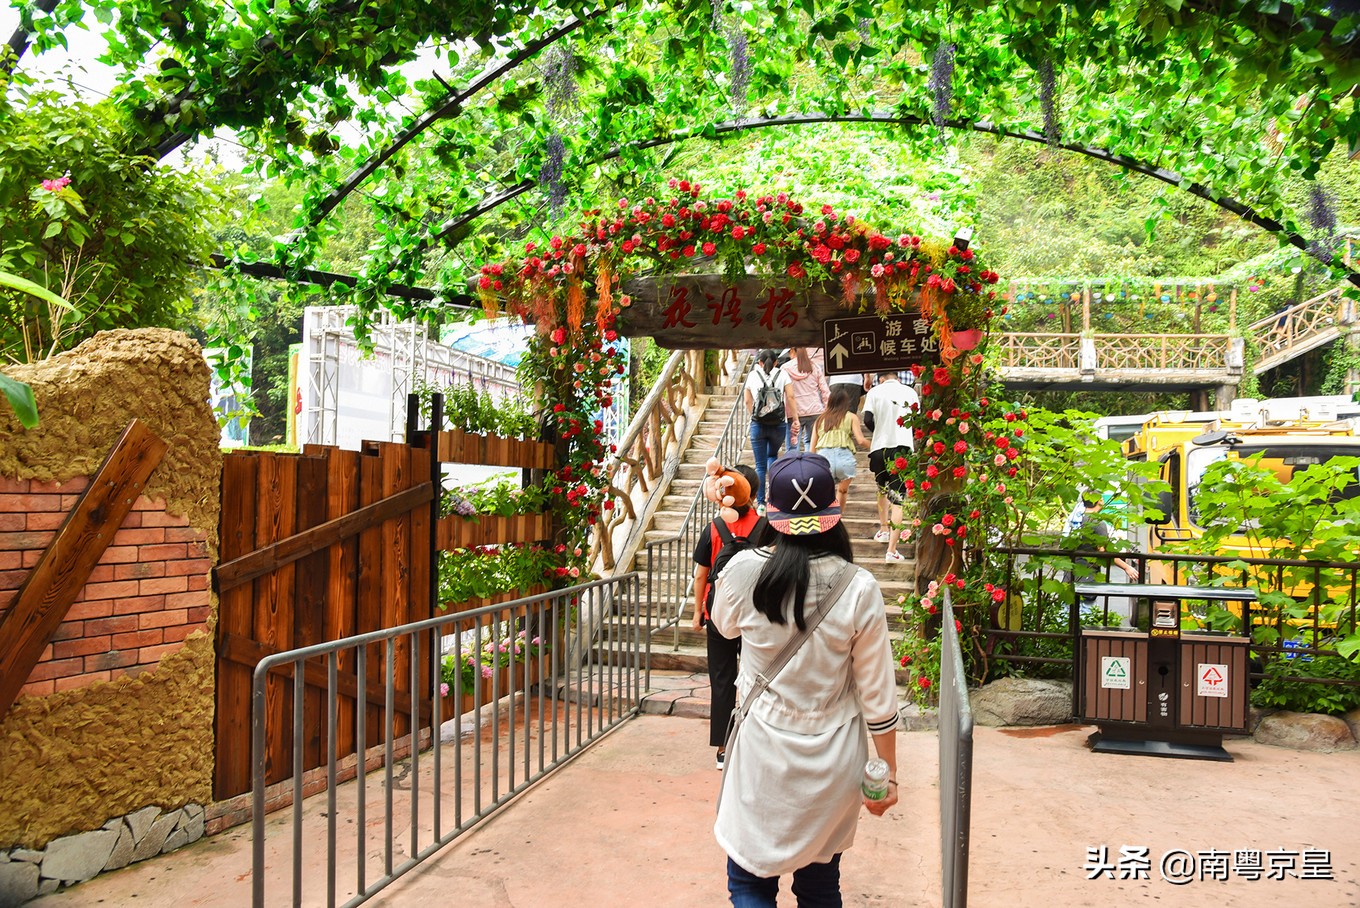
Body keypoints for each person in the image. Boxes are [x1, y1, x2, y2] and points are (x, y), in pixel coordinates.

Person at [710, 453, 900, 907]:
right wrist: (888, 774)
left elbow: (723, 626)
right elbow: (877, 692)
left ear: (771, 513)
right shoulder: (859, 586)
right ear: (833, 513)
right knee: (819, 885)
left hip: (762, 755)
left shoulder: (741, 572)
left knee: (750, 883)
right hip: (833, 760)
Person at [691, 464, 769, 770]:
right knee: (756, 677)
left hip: (719, 614)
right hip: (754, 615)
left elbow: (701, 575)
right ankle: (754, 740)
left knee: (722, 679)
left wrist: (699, 611)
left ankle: (723, 748)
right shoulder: (764, 526)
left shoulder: (713, 528)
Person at [862, 371, 919, 564]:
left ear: (881, 378)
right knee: (897, 498)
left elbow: (868, 420)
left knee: (882, 489)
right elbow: (917, 420)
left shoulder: (874, 392)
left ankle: (884, 529)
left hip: (879, 448)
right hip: (901, 448)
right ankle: (892, 550)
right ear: (897, 376)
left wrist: (879, 431)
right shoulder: (910, 392)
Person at [744, 349, 798, 513]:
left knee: (760, 466)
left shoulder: (753, 376)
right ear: (776, 362)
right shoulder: (783, 374)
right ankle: (774, 498)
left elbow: (747, 400)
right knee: (772, 456)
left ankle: (760, 504)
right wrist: (795, 418)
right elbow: (790, 398)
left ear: (759, 362)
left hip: (758, 425)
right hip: (778, 424)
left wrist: (754, 416)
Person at [811, 385, 869, 511]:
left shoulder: (820, 419)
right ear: (845, 402)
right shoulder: (852, 417)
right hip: (844, 458)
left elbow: (812, 449)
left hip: (824, 458)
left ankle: (826, 519)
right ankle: (837, 520)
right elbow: (860, 440)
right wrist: (874, 446)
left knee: (826, 492)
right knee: (842, 491)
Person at [781, 347, 829, 453]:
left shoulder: (785, 368)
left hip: (793, 414)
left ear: (793, 351)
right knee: (811, 443)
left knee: (793, 447)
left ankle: (793, 469)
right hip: (815, 411)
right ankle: (810, 467)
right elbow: (825, 391)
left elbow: (781, 391)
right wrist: (826, 410)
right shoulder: (814, 367)